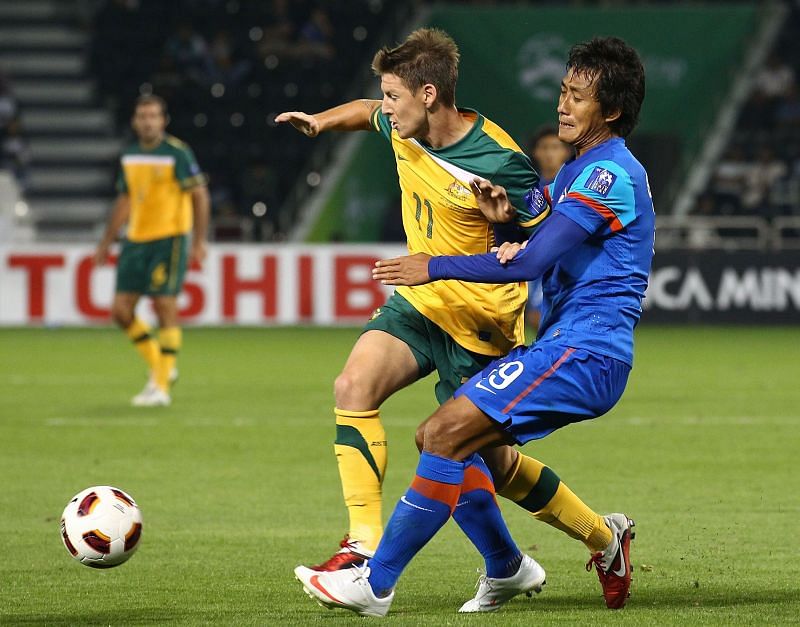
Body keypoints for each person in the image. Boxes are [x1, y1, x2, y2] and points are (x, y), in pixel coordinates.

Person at [295, 35, 653, 616]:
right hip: (559, 344)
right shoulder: (576, 170)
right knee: (456, 444)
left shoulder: (605, 175)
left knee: (444, 437)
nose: (561, 104)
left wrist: (429, 265)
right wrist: (506, 228)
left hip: (585, 351)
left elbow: (535, 263)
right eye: (562, 90)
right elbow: (532, 249)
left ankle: (375, 581)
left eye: (577, 97)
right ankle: (571, 550)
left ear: (609, 111)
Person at [276, 28, 555, 574]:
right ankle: (361, 543)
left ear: (429, 94)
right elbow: (362, 110)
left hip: (481, 319)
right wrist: (321, 121)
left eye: (393, 96)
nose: (386, 108)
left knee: (492, 465)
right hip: (421, 301)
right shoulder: (404, 123)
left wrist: (507, 235)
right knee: (353, 385)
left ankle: (596, 534)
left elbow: (545, 243)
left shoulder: (501, 161)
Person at [94, 94, 210, 407]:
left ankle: (160, 386)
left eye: (153, 116)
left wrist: (199, 240)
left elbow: (199, 194)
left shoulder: (176, 153)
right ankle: (161, 363)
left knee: (164, 305)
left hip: (168, 238)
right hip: (134, 240)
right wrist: (106, 242)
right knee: (120, 312)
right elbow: (125, 199)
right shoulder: (130, 154)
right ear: (135, 121)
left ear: (163, 120)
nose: (148, 122)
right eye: (142, 116)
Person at [524, 126, 573, 329]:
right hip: (534, 259)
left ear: (566, 151)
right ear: (536, 152)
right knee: (535, 318)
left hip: (565, 260)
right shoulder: (529, 189)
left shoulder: (574, 185)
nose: (549, 154)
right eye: (544, 147)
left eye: (555, 147)